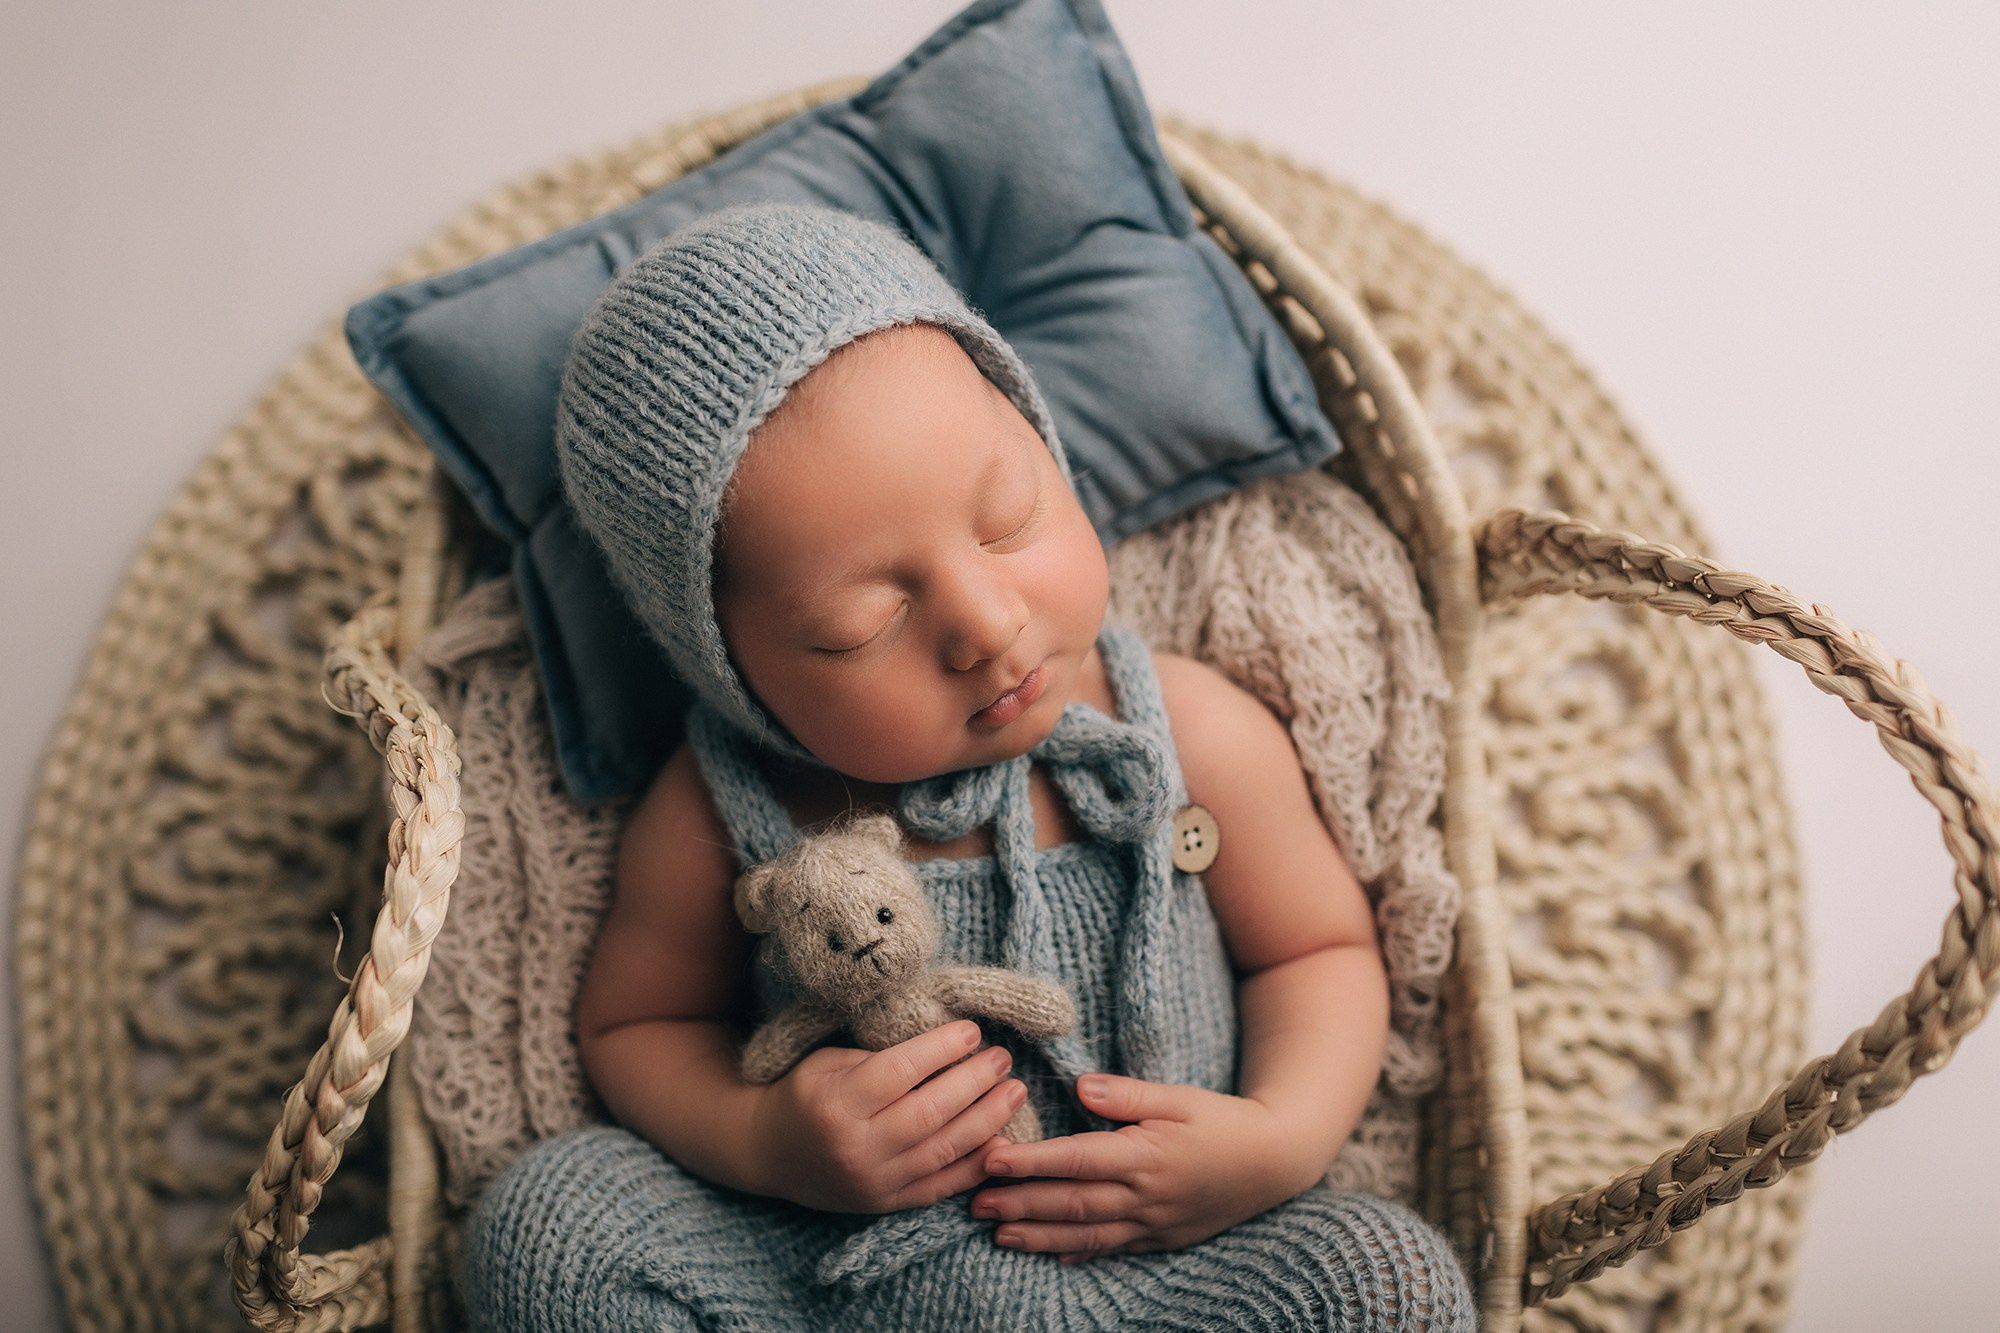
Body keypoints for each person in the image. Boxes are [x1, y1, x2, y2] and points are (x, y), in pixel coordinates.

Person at [462, 203, 1475, 1330]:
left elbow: (1317, 948)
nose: (987, 624)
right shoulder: (726, 803)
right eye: (859, 624)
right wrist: (767, 1140)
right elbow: (634, 1029)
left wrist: (1275, 1142)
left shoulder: (1186, 733)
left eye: (1008, 516)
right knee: (548, 1224)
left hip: (1156, 1272)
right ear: (731, 666)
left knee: (1389, 1280)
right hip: (835, 1272)